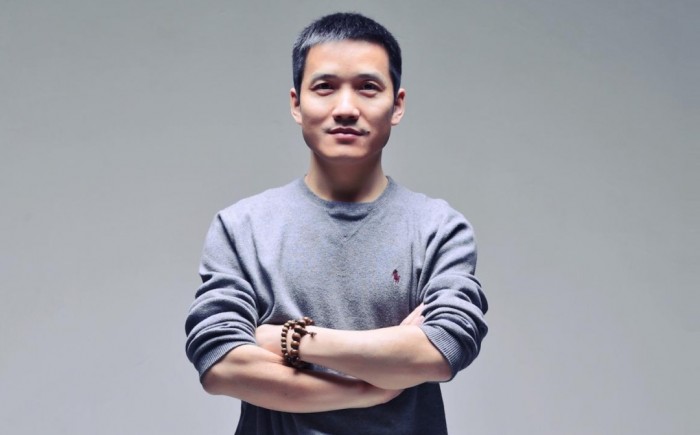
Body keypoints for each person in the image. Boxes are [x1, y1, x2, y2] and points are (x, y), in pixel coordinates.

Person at [185, 12, 488, 435]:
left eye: (368, 87)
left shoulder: (437, 228)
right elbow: (220, 365)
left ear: (397, 105)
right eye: (325, 87)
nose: (345, 108)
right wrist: (370, 389)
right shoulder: (242, 227)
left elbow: (442, 350)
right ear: (297, 104)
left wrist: (289, 339)